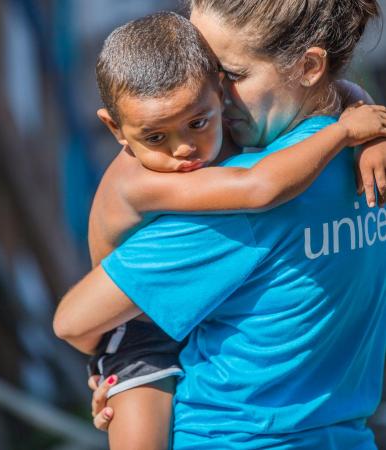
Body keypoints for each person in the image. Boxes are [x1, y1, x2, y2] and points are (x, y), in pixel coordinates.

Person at [55, 1, 386, 449]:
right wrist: (360, 128)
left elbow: (74, 322)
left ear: (309, 66)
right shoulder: (363, 163)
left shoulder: (244, 199)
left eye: (229, 74)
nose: (210, 93)